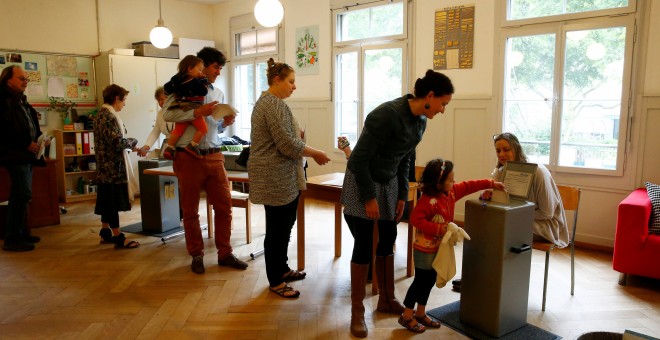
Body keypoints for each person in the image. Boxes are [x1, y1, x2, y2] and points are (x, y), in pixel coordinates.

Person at [341, 70, 455, 338]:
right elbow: (358, 160)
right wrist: (369, 198)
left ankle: (387, 299)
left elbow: (406, 158)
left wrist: (403, 195)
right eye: (443, 103)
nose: (443, 110)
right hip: (363, 182)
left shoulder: (420, 122)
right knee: (364, 244)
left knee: (388, 238)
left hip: (390, 184)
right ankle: (357, 311)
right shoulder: (385, 115)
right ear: (429, 96)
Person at [248, 58, 331, 298]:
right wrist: (314, 152)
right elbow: (286, 144)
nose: (294, 87)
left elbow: (283, 137)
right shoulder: (273, 104)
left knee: (283, 227)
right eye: (291, 81)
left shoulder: (271, 103)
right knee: (277, 231)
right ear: (277, 80)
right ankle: (275, 281)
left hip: (280, 177)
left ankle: (282, 269)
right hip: (275, 178)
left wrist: (298, 137)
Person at [162, 46, 248, 274]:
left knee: (224, 207)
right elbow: (167, 114)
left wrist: (224, 123)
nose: (218, 72)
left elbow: (214, 126)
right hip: (188, 156)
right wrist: (197, 113)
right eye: (215, 67)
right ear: (201, 66)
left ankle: (225, 253)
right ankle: (197, 254)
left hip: (214, 154)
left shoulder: (217, 93)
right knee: (190, 211)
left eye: (221, 68)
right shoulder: (182, 87)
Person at [452, 132, 569, 293]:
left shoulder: (538, 172)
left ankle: (491, 281)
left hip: (543, 225)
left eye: (506, 149)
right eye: (498, 151)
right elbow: (499, 204)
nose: (502, 155)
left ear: (516, 148)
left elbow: (547, 213)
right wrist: (487, 197)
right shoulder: (500, 172)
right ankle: (476, 276)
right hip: (513, 219)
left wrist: (514, 215)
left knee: (499, 232)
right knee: (476, 229)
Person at [399, 158, 504, 333]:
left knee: (430, 281)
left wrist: (492, 183)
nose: (454, 182)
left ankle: (420, 312)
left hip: (438, 250)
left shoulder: (452, 192)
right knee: (420, 282)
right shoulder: (427, 200)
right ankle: (406, 315)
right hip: (424, 251)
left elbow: (470, 185)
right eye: (450, 179)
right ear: (438, 184)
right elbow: (415, 219)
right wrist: (439, 228)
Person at [0, 66, 46, 251]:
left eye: (26, 78)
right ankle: (12, 238)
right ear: (7, 79)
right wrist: (26, 143)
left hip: (26, 154)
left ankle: (22, 233)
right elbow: (4, 130)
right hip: (14, 154)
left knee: (23, 196)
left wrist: (40, 139)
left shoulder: (21, 99)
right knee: (21, 195)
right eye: (21, 78)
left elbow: (29, 123)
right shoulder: (3, 100)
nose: (25, 81)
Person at [93, 84, 141, 249]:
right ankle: (118, 237)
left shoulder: (104, 114)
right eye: (124, 100)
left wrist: (131, 147)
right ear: (116, 99)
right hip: (111, 168)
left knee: (107, 202)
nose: (124, 104)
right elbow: (116, 142)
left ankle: (105, 232)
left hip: (106, 167)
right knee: (111, 203)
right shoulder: (107, 116)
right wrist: (132, 141)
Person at [161, 55, 209, 159]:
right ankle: (192, 145)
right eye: (200, 69)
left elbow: (166, 88)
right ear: (190, 68)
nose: (201, 72)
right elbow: (204, 91)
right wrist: (204, 79)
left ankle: (169, 147)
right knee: (203, 128)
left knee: (178, 130)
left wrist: (168, 92)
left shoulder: (175, 80)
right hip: (193, 108)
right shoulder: (194, 81)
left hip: (181, 108)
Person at [136, 86, 173, 157]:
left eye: (162, 99)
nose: (160, 102)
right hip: (167, 145)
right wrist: (147, 146)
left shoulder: (178, 110)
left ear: (169, 98)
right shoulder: (160, 113)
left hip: (180, 145)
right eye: (158, 100)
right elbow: (155, 132)